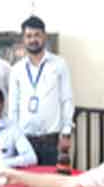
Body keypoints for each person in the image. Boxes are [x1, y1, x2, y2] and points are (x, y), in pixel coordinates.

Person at [8, 16, 74, 165]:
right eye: (28, 36)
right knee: (24, 179)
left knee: (51, 178)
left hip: (51, 140)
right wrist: (13, 137)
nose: (33, 40)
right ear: (23, 39)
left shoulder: (59, 64)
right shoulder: (16, 69)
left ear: (44, 36)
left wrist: (66, 133)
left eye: (37, 35)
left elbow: (67, 99)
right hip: (24, 140)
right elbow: (13, 107)